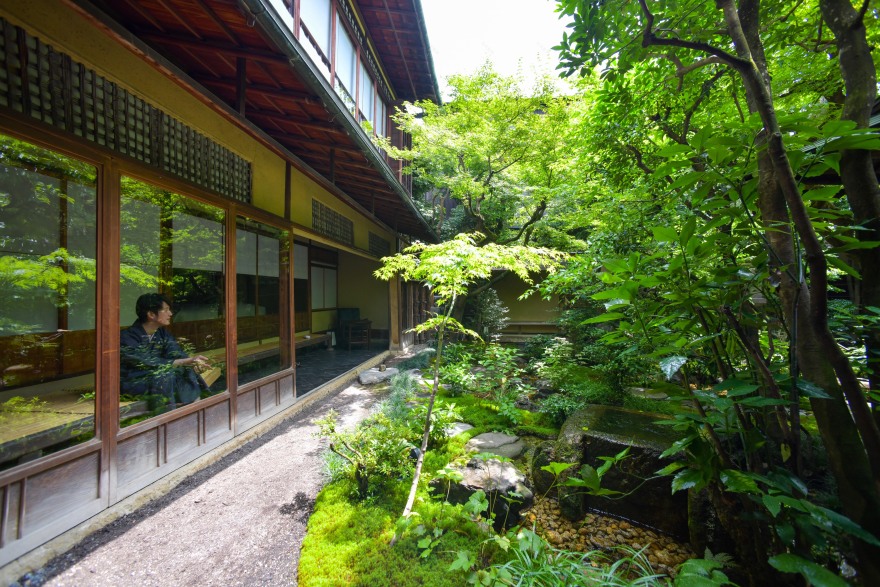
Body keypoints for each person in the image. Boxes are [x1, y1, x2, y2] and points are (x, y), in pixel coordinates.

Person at [120, 293, 210, 410]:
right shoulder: (127, 337)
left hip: (158, 376)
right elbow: (145, 362)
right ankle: (175, 413)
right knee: (168, 376)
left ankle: (195, 407)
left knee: (184, 370)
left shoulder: (162, 333)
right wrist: (183, 362)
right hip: (133, 381)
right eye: (166, 310)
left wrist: (193, 363)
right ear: (151, 314)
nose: (170, 314)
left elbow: (176, 353)